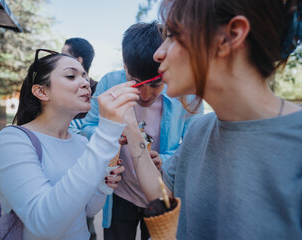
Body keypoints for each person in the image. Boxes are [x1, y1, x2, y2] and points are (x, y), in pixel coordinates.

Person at [123, 0, 302, 239]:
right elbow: (161, 194)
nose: (159, 53)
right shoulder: (199, 129)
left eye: (174, 35)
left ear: (231, 35)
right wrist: (131, 127)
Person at [0, 50, 139, 240]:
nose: (86, 83)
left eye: (85, 76)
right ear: (41, 91)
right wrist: (107, 129)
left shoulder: (81, 142)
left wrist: (103, 185)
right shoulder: (12, 140)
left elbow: (88, 210)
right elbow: (43, 224)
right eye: (71, 76)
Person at [81, 21, 203, 240]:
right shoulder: (110, 82)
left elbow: (193, 147)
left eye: (155, 85)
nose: (145, 95)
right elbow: (84, 128)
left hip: (162, 195)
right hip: (120, 194)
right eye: (136, 84)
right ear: (125, 66)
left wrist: (165, 160)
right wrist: (107, 135)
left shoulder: (187, 96)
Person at [62, 37, 98, 239]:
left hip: (86, 171)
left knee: (85, 220)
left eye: (64, 54)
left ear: (79, 60)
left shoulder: (97, 90)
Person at [62, 37, 98, 134]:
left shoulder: (100, 92)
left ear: (78, 60)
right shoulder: (60, 88)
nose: (59, 59)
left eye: (64, 55)